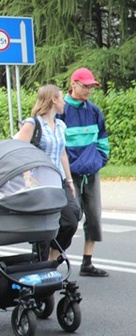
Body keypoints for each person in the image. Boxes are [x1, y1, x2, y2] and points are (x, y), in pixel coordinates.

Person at [16, 85, 80, 261]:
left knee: (72, 218)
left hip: (58, 179)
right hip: (40, 182)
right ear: (53, 100)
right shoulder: (32, 124)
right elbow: (20, 152)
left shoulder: (60, 125)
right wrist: (28, 180)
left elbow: (62, 154)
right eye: (61, 98)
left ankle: (53, 260)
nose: (64, 103)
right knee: (43, 229)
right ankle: (41, 269)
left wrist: (69, 181)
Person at [60, 68, 110, 277]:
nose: (89, 89)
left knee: (94, 217)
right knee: (69, 218)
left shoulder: (94, 110)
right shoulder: (61, 109)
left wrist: (99, 160)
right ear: (74, 84)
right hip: (69, 176)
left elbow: (102, 138)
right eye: (85, 85)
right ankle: (51, 260)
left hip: (91, 172)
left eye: (91, 86)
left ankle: (87, 263)